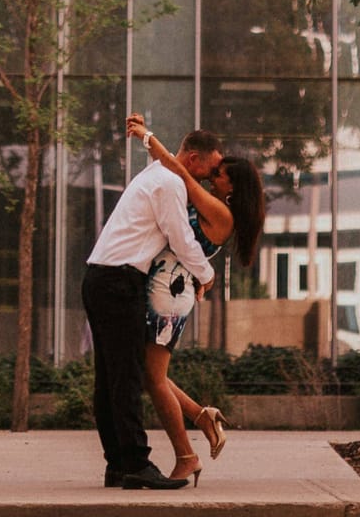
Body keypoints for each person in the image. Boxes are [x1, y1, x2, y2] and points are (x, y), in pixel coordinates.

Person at [82, 123, 224, 491]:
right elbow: (180, 237)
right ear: (192, 159)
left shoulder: (158, 173)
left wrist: (146, 134)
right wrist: (206, 274)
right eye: (208, 170)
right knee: (127, 377)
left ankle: (117, 464)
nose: (208, 180)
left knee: (110, 379)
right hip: (118, 281)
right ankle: (136, 464)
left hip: (101, 277)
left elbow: (155, 151)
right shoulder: (170, 183)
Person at [130, 114, 265, 487]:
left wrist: (145, 136)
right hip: (168, 288)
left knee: (154, 379)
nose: (212, 173)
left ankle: (186, 457)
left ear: (231, 187)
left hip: (167, 296)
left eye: (219, 172)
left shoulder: (220, 211)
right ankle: (203, 417)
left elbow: (178, 169)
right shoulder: (215, 205)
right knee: (148, 373)